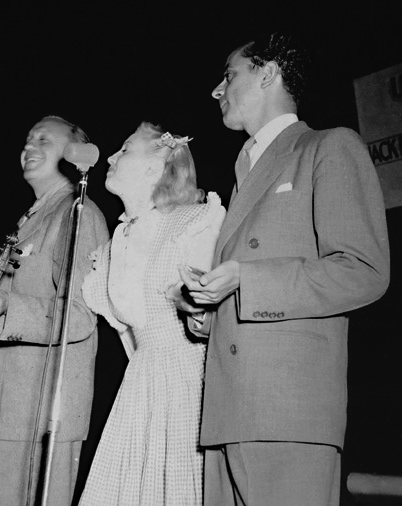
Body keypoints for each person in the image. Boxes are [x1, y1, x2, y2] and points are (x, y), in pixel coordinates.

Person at [172, 32, 390, 506]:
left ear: (268, 73)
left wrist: (247, 279)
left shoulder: (329, 147)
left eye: (229, 75)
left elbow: (364, 270)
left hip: (288, 412)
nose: (217, 90)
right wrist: (207, 310)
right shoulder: (243, 170)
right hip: (229, 413)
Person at [78, 122, 226, 505]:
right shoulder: (116, 243)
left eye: (124, 150)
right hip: (141, 384)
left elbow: (219, 319)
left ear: (155, 165)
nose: (110, 157)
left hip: (190, 380)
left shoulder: (194, 222)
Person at [0, 116, 110, 506]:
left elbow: (81, 314)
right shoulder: (35, 216)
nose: (29, 147)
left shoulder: (78, 214)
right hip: (10, 408)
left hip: (40, 413)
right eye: (27, 139)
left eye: (44, 140)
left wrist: (6, 308)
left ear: (73, 152)